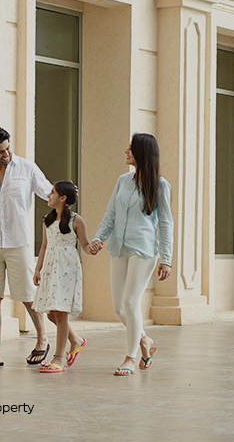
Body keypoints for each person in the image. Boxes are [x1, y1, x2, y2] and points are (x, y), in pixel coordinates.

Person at [0, 126, 54, 368]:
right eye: (0, 152)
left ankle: (43, 339)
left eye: (7, 148)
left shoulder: (26, 168)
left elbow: (49, 193)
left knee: (26, 295)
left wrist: (65, 194)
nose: (6, 154)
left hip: (18, 242)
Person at [86, 133, 173, 376]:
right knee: (118, 306)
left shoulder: (160, 185)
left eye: (131, 148)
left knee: (131, 302)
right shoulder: (122, 181)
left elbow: (166, 224)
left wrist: (167, 259)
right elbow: (110, 215)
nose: (126, 151)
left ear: (143, 153)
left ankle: (130, 358)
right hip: (119, 247)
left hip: (143, 250)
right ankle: (144, 341)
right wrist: (97, 238)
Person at [31, 181, 88, 374]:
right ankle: (76, 340)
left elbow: (86, 245)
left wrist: (93, 248)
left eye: (53, 192)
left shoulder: (76, 220)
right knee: (51, 314)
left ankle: (59, 358)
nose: (48, 195)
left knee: (61, 313)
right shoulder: (47, 220)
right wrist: (37, 269)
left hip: (67, 268)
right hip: (50, 268)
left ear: (63, 198)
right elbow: (44, 246)